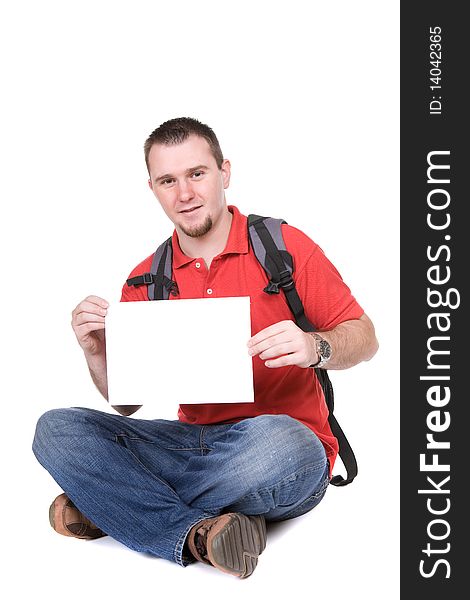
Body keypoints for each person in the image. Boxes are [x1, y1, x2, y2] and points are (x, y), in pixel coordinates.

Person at [32, 117, 378, 579]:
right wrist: (96, 351)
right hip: (190, 442)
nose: (185, 194)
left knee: (284, 446)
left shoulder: (282, 247)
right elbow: (127, 404)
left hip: (280, 446)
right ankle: (199, 533)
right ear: (152, 188)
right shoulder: (146, 277)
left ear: (225, 173)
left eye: (197, 174)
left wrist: (316, 345)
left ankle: (115, 505)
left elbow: (365, 336)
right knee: (55, 430)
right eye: (167, 181)